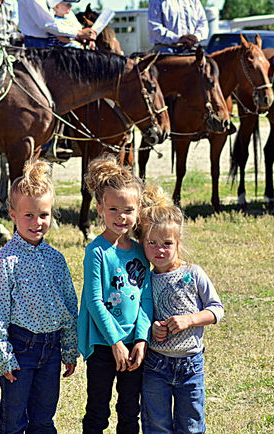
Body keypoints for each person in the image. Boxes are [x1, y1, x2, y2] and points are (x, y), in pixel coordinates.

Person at [0, 159, 79, 433]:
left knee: (43, 419)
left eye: (43, 215)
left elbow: (69, 307)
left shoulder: (56, 258)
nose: (37, 223)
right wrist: (4, 356)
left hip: (51, 350)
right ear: (12, 214)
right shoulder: (6, 260)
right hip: (20, 349)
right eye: (28, 215)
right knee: (13, 420)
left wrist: (69, 349)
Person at [137, 186, 224, 434]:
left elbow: (216, 309)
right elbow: (143, 314)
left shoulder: (193, 273)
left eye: (167, 243)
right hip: (156, 365)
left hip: (190, 365)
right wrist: (153, 328)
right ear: (142, 243)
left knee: (191, 426)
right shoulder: (145, 279)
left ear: (178, 242)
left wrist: (190, 320)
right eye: (151, 243)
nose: (159, 250)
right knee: (156, 425)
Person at [78, 154, 153, 434]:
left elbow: (146, 299)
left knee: (129, 413)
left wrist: (141, 339)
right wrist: (115, 342)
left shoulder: (140, 251)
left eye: (128, 210)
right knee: (98, 411)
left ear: (138, 210)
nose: (121, 217)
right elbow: (94, 301)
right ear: (99, 209)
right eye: (113, 210)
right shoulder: (96, 251)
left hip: (134, 345)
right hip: (102, 345)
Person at [18, 0, 96, 48]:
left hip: (45, 41)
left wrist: (85, 35)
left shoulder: (59, 5)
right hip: (36, 43)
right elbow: (47, 24)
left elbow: (70, 17)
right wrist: (79, 33)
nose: (70, 7)